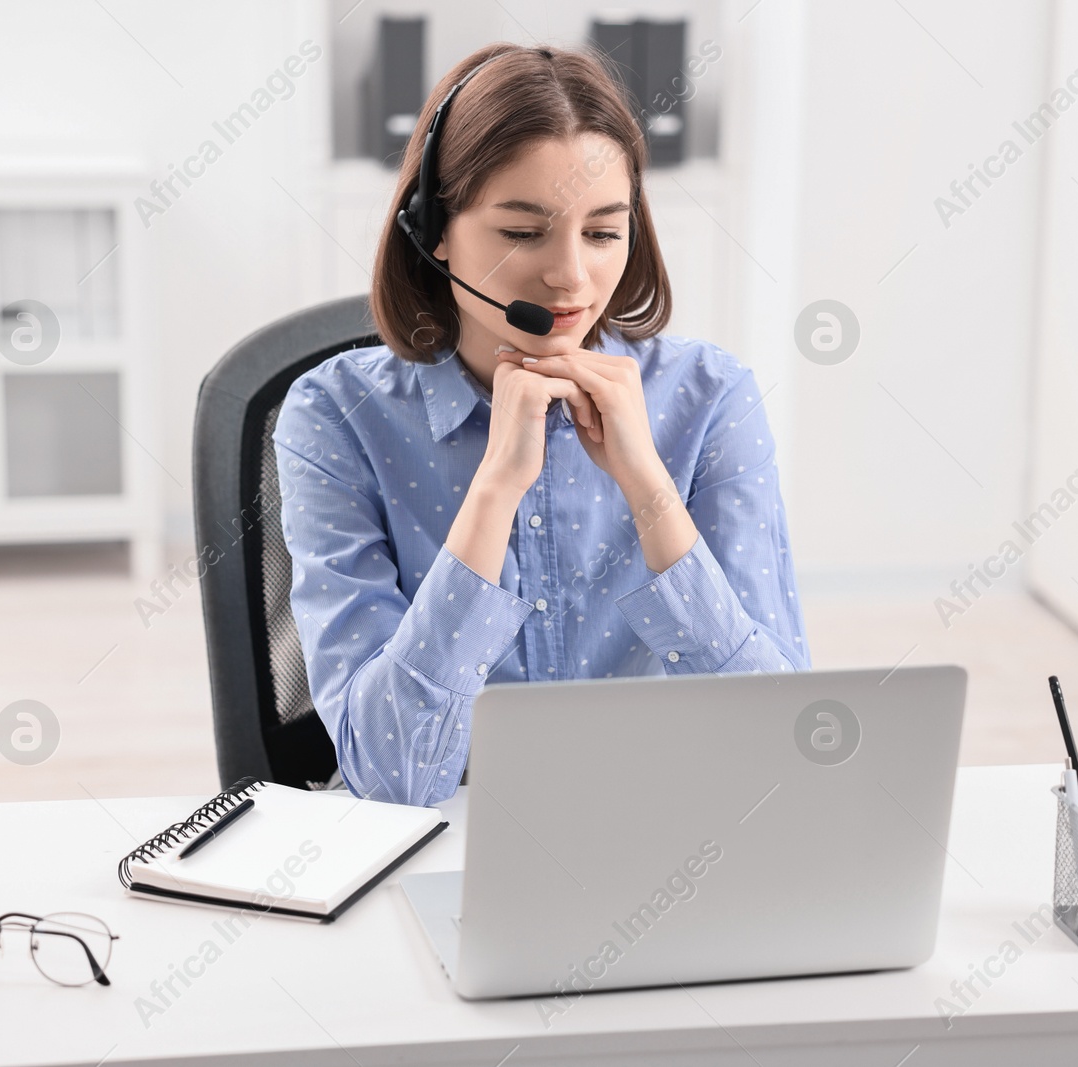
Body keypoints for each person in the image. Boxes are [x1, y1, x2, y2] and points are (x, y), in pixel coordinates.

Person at [275, 42, 809, 807]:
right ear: (433, 232)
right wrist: (493, 492)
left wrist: (647, 487)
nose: (570, 276)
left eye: (601, 233)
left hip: (665, 829)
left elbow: (779, 747)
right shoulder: (335, 417)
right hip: (447, 834)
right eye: (523, 232)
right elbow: (391, 779)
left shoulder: (712, 397)